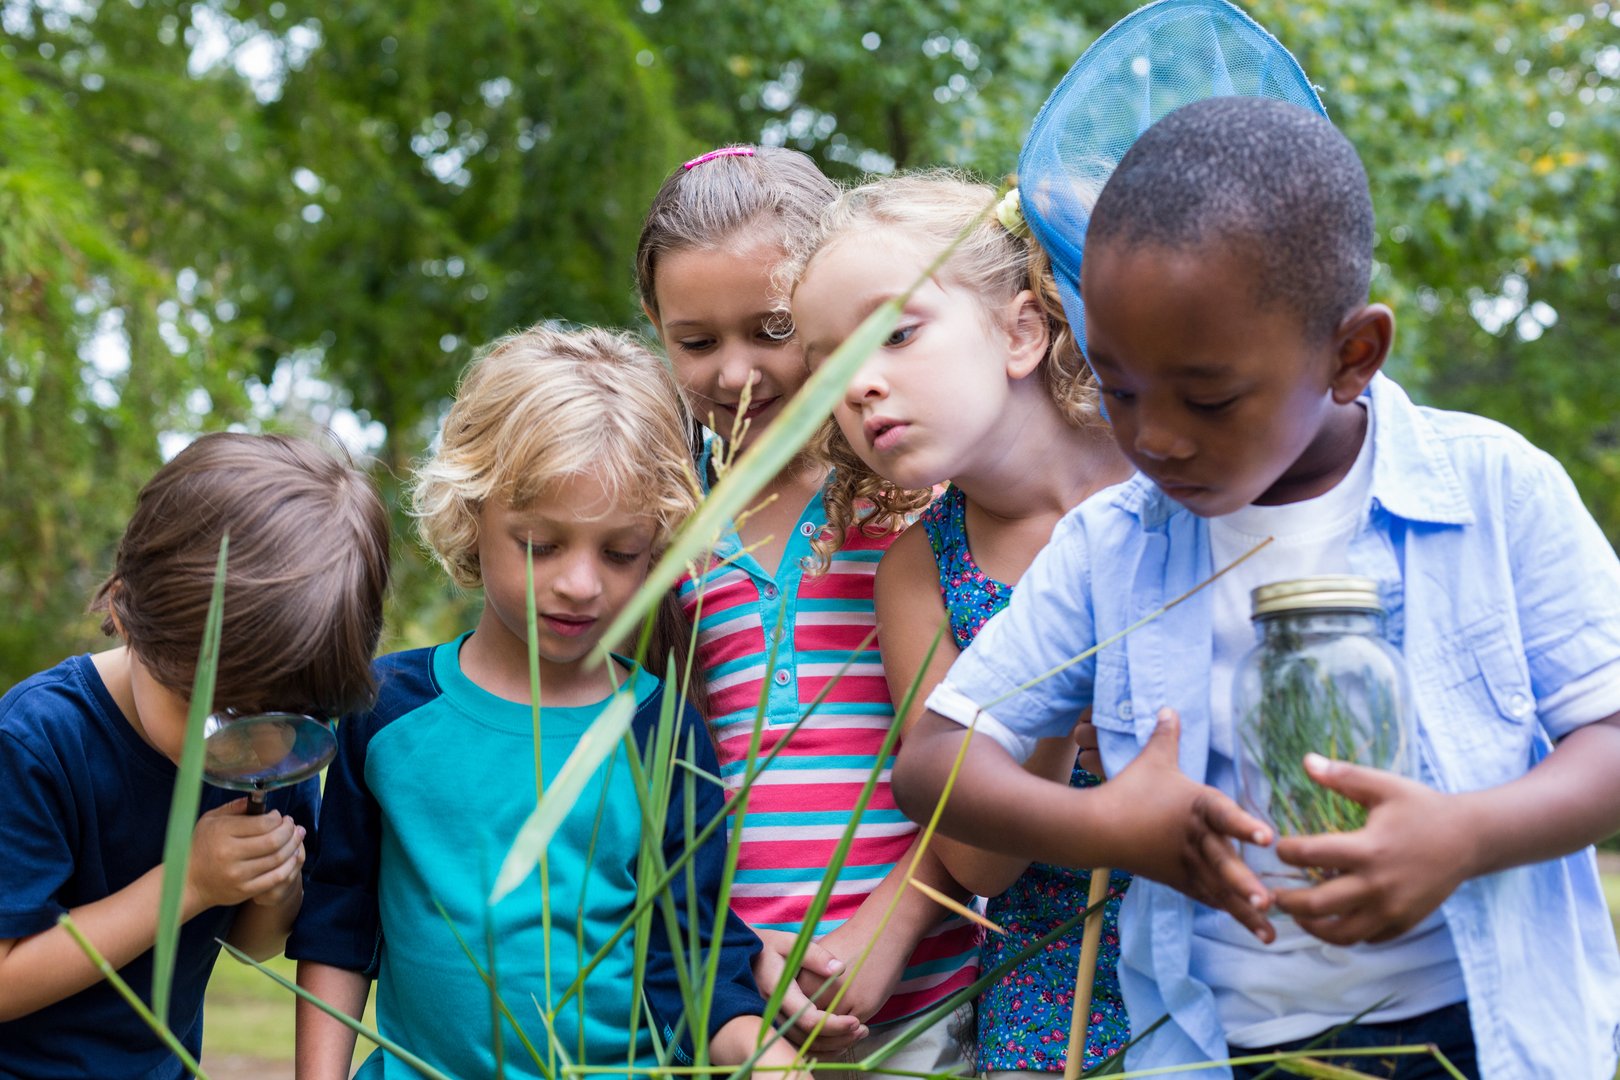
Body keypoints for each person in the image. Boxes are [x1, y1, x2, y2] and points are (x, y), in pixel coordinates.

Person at [893, 96, 1620, 1078]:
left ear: (1351, 354)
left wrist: (1465, 835)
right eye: (1117, 385)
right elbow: (936, 760)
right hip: (1226, 1050)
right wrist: (1104, 825)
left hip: (1484, 1038)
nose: (1154, 438)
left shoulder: (1495, 490)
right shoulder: (1110, 545)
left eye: (1210, 396)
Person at [288, 325, 805, 1080]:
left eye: (620, 552)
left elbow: (696, 957)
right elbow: (341, 922)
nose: (581, 584)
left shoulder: (665, 732)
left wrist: (765, 1058)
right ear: (473, 517)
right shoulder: (385, 712)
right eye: (541, 543)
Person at [637, 146, 980, 1073]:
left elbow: (969, 759)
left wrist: (900, 915)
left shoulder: (925, 502)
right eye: (697, 342)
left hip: (934, 1001)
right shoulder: (657, 538)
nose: (736, 373)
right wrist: (734, 968)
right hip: (738, 1011)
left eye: (773, 329)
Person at [788, 171, 1137, 1076]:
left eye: (898, 333)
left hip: (1233, 934)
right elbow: (976, 862)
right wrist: (1052, 702)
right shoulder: (917, 572)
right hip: (1057, 981)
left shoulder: (1170, 480)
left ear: (1021, 330)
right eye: (829, 365)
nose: (860, 385)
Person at [0, 432, 389, 1079]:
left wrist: (272, 883)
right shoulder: (37, 740)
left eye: (292, 718)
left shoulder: (278, 745)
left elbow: (253, 943)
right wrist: (188, 881)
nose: (257, 746)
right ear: (127, 612)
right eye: (217, 709)